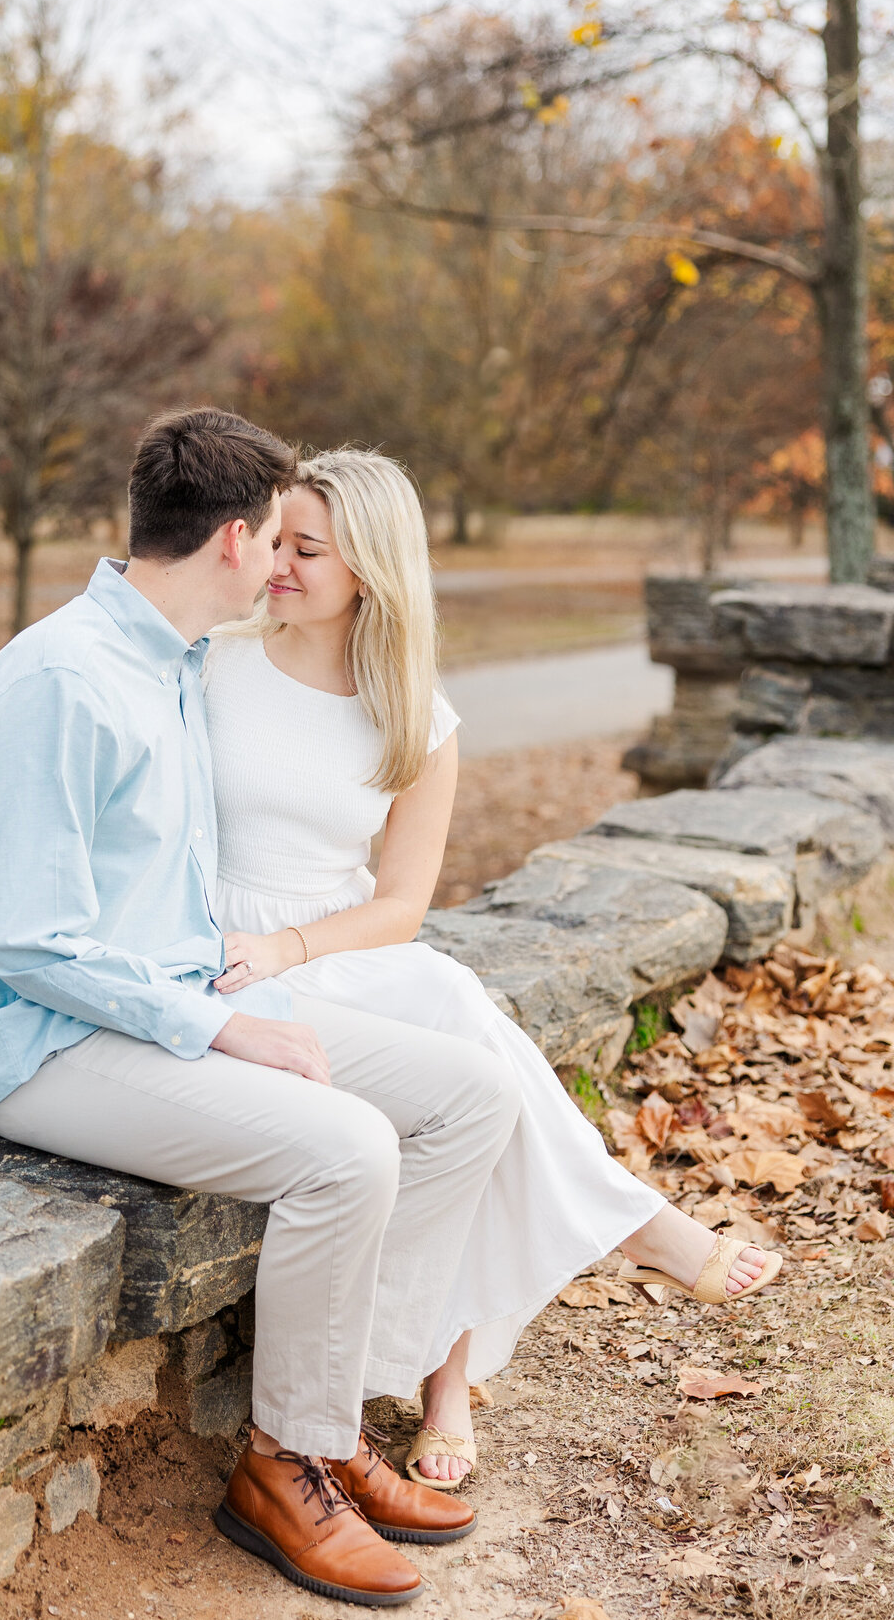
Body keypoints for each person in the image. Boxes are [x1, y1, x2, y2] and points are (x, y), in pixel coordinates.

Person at [0, 408, 526, 1609]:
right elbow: (31, 946)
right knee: (348, 1146)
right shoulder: (62, 679)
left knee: (474, 1095)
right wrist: (220, 1025)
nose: (289, 565)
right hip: (43, 1045)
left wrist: (234, 987)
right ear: (240, 541)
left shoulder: (179, 663)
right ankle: (279, 1466)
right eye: (284, 539)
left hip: (165, 1001)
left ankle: (335, 1412)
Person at [203, 446, 782, 1491]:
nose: (273, 562)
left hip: (325, 952)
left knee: (456, 1028)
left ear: (370, 567)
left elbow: (401, 907)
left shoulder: (417, 713)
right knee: (468, 1033)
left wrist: (293, 945)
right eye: (273, 538)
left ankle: (467, 1362)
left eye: (305, 547)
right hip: (225, 960)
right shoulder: (212, 661)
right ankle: (601, 1253)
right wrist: (258, 952)